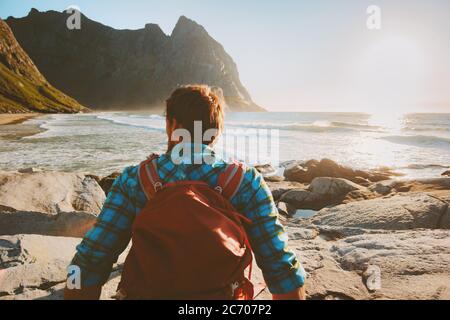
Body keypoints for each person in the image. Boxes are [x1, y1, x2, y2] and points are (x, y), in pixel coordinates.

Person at [64, 85, 306, 300]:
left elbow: (91, 259)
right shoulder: (246, 182)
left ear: (172, 125)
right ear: (216, 132)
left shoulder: (134, 180)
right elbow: (281, 265)